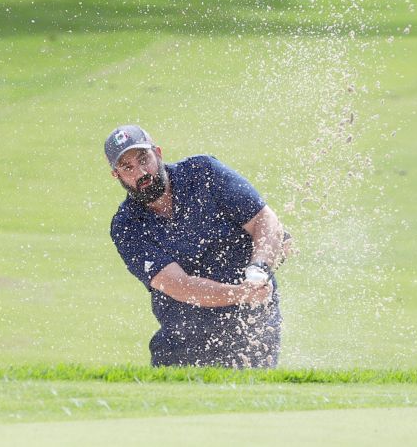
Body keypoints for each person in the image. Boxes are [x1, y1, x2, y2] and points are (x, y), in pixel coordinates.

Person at [104, 124, 291, 368]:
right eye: (127, 167)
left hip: (250, 329)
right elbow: (180, 286)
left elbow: (265, 221)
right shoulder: (127, 226)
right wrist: (241, 293)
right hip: (183, 339)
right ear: (116, 175)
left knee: (248, 399)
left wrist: (259, 270)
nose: (141, 173)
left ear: (158, 153)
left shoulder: (203, 173)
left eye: (143, 159)